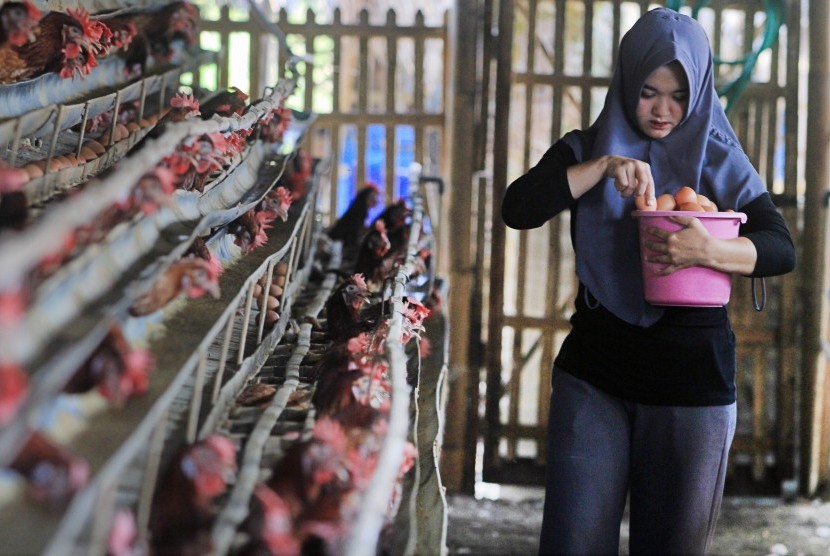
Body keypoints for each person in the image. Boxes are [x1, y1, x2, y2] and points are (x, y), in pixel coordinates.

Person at [501, 7, 796, 555]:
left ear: (699, 91)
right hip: (595, 376)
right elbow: (518, 207)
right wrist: (601, 167)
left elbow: (780, 247)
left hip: (692, 381)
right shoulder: (585, 149)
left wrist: (710, 250)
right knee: (573, 543)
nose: (663, 110)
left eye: (678, 96)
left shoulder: (720, 159)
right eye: (648, 92)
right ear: (626, 82)